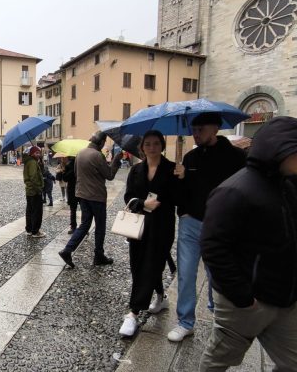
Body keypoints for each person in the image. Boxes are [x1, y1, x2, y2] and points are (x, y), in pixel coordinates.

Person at [193, 116, 297, 372]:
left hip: (285, 297)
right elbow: (213, 247)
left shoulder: (289, 186)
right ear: (281, 150)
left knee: (293, 364)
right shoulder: (235, 190)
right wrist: (241, 295)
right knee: (223, 354)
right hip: (247, 299)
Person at [168, 113, 245, 342]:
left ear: (216, 128)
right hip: (190, 223)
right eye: (194, 128)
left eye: (201, 128)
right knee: (186, 273)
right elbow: (181, 194)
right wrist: (180, 181)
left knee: (218, 274)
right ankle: (185, 322)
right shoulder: (190, 158)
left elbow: (241, 192)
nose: (196, 132)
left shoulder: (236, 157)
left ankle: (220, 318)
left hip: (220, 225)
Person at [119, 131, 178, 337]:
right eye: (148, 144)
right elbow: (128, 196)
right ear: (142, 147)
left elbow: (178, 198)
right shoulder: (136, 170)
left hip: (162, 225)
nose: (152, 147)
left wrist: (182, 178)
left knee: (152, 263)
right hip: (140, 225)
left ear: (162, 145)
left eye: (155, 144)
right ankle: (160, 296)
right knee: (138, 264)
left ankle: (133, 313)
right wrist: (143, 203)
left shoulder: (172, 169)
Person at [58, 132, 122, 268]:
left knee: (84, 224)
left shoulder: (80, 153)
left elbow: (76, 173)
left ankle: (67, 250)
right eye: (104, 143)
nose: (104, 145)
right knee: (100, 226)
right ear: (100, 142)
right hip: (96, 197)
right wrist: (116, 161)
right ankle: (98, 255)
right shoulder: (97, 155)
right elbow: (109, 175)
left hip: (82, 195)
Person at [23, 146, 45, 238]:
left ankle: (29, 230)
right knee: (37, 212)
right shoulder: (32, 162)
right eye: (36, 153)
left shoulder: (29, 161)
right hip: (34, 191)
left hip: (29, 191)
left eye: (39, 153)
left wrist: (40, 164)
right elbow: (33, 177)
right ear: (32, 154)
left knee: (30, 211)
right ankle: (35, 231)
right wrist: (39, 189)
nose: (38, 154)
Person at [62, 156, 78, 234]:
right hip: (77, 189)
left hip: (75, 189)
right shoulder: (69, 164)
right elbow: (65, 178)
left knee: (73, 210)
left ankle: (74, 227)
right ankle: (76, 227)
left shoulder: (69, 164)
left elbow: (65, 178)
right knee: (81, 209)